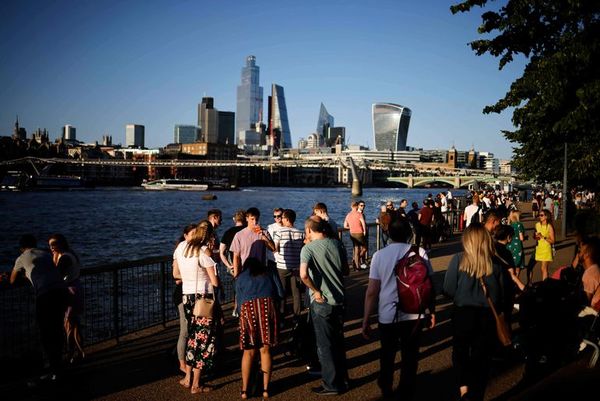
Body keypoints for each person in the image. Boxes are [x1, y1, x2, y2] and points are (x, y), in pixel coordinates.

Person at [362, 217, 436, 399]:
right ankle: (406, 390)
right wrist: (431, 311)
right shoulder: (419, 252)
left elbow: (372, 291)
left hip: (387, 315)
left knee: (387, 354)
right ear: (409, 234)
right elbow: (429, 284)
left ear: (388, 233)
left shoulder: (379, 255)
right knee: (410, 356)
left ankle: (386, 388)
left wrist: (366, 319)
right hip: (414, 313)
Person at [443, 225, 506, 401]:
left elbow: (447, 289)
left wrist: (461, 294)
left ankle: (464, 388)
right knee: (482, 355)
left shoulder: (458, 260)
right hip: (486, 315)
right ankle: (477, 391)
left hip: (463, 312)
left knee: (460, 351)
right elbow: (500, 294)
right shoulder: (495, 264)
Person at [300, 216, 350, 395]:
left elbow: (304, 275)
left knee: (324, 345)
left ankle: (330, 384)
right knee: (338, 341)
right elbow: (346, 270)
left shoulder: (308, 249)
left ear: (309, 230)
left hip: (322, 302)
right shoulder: (337, 244)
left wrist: (316, 290)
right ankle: (343, 379)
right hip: (340, 298)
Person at [10, 234, 69, 382]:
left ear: (21, 248)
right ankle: (59, 366)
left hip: (45, 295)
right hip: (61, 292)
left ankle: (52, 368)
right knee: (57, 329)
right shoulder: (45, 253)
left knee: (46, 333)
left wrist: (12, 275)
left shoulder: (21, 258)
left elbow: (12, 281)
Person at [173, 220, 220, 394]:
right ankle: (196, 384)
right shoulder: (203, 251)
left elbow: (175, 273)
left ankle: (187, 378)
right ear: (207, 237)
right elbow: (214, 281)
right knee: (203, 340)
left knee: (192, 336)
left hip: (186, 296)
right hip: (203, 299)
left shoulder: (181, 247)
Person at [235, 257, 284, 400]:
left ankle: (244, 390)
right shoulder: (269, 273)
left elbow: (239, 302)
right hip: (266, 307)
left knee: (248, 352)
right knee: (265, 349)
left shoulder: (241, 277)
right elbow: (280, 293)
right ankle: (266, 389)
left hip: (247, 309)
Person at [48, 233, 85, 365]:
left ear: (61, 243)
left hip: (69, 291)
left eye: (54, 244)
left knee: (69, 324)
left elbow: (56, 274)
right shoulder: (69, 254)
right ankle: (80, 353)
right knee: (74, 324)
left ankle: (71, 353)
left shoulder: (65, 258)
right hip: (74, 288)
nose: (52, 247)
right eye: (50, 245)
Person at [171, 224, 196, 374]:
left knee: (192, 330)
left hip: (191, 293)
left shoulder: (194, 251)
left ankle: (189, 360)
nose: (195, 236)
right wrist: (190, 274)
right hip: (181, 294)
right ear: (185, 236)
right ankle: (182, 363)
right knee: (185, 330)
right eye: (192, 233)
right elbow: (176, 278)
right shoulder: (179, 251)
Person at [273, 209, 305, 322]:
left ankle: (281, 317)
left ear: (286, 219)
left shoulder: (280, 232)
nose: (280, 220)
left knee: (282, 293)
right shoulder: (301, 233)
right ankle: (297, 317)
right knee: (296, 293)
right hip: (296, 267)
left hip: (282, 266)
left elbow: (275, 248)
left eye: (282, 218)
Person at [231, 207, 276, 278]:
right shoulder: (239, 235)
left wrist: (265, 238)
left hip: (261, 272)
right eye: (252, 219)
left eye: (256, 219)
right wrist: (236, 275)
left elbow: (273, 249)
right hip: (246, 272)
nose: (255, 222)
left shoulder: (264, 232)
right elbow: (236, 257)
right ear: (247, 219)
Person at [219, 210, 247, 276]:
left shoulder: (228, 232)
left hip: (234, 264)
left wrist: (229, 265)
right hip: (248, 264)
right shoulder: (249, 231)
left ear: (234, 219)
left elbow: (221, 252)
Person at [344, 201, 368, 270]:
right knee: (364, 248)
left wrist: (351, 227)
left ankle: (357, 266)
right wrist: (364, 231)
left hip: (352, 233)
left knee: (356, 249)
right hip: (359, 233)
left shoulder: (348, 215)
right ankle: (356, 260)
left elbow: (345, 226)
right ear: (357, 206)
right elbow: (363, 223)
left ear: (351, 207)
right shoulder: (359, 214)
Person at [533, 209, 555, 282]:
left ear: (546, 216)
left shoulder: (549, 226)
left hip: (546, 249)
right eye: (539, 215)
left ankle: (545, 284)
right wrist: (535, 236)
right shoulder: (537, 225)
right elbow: (535, 237)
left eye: (542, 215)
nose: (540, 216)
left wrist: (543, 237)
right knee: (542, 268)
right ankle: (547, 282)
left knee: (543, 268)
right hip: (539, 248)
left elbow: (553, 240)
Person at [506, 209, 526, 276]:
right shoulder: (519, 225)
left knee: (510, 265)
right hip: (517, 246)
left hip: (509, 246)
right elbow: (521, 238)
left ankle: (511, 281)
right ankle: (516, 282)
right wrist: (525, 237)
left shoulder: (509, 225)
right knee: (517, 266)